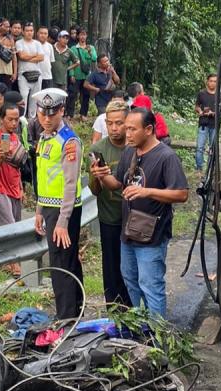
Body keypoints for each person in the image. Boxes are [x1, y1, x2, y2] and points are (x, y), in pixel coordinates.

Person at [91, 108, 189, 317]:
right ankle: (141, 330)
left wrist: (147, 192)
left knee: (151, 286)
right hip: (128, 232)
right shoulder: (130, 152)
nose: (127, 134)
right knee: (131, 282)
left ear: (149, 129)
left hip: (152, 236)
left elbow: (181, 194)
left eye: (132, 129)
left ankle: (158, 339)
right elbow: (116, 183)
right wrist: (101, 175)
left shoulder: (166, 157)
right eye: (126, 129)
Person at [33, 88, 84, 319]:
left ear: (62, 111)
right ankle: (75, 312)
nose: (46, 118)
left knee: (61, 265)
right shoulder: (45, 138)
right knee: (66, 261)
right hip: (51, 208)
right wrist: (38, 210)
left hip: (65, 209)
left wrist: (63, 221)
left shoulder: (68, 141)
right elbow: (44, 178)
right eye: (42, 113)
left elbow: (71, 184)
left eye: (51, 114)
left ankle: (67, 319)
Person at [89, 100, 131, 306]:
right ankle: (115, 311)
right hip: (109, 218)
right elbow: (95, 190)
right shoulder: (98, 149)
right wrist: (96, 176)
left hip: (134, 219)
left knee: (132, 269)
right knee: (111, 268)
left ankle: (135, 310)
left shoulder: (135, 146)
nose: (114, 128)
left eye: (119, 123)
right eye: (110, 123)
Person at [0, 102, 24, 276]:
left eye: (16, 119)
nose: (14, 123)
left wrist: (21, 186)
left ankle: (8, 261)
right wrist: (2, 153)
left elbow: (18, 166)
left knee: (15, 225)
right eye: (10, 120)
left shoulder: (16, 136)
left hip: (14, 187)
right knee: (9, 225)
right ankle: (14, 263)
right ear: (2, 119)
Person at [15, 23, 43, 118]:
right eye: (27, 30)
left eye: (31, 30)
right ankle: (22, 120)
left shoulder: (37, 43)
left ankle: (32, 120)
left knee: (35, 99)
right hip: (23, 75)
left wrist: (28, 57)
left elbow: (41, 57)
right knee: (23, 98)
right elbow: (21, 56)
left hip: (37, 74)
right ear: (23, 32)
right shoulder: (19, 43)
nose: (29, 33)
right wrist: (35, 55)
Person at [67, 28, 96, 120]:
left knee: (86, 95)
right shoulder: (73, 48)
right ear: (78, 36)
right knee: (72, 95)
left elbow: (94, 59)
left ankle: (83, 114)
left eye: (84, 34)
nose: (83, 36)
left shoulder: (91, 47)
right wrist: (71, 74)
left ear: (86, 36)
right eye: (81, 34)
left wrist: (90, 52)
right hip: (76, 75)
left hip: (87, 76)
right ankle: (70, 114)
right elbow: (70, 62)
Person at [195, 73, 218, 172]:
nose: (213, 83)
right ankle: (199, 168)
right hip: (203, 124)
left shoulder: (219, 95)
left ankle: (209, 169)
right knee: (200, 147)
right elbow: (197, 106)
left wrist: (214, 113)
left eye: (215, 81)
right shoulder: (202, 93)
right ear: (207, 82)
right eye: (211, 81)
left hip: (214, 124)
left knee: (212, 148)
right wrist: (200, 111)